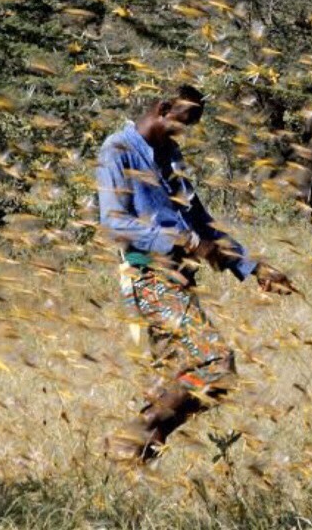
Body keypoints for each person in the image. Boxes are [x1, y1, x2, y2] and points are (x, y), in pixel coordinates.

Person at [95, 84, 297, 465]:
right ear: (163, 108)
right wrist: (183, 241)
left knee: (180, 383)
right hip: (148, 277)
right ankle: (129, 439)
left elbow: (202, 221)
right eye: (182, 123)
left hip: (179, 280)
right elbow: (113, 222)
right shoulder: (117, 150)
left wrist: (253, 267)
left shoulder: (170, 156)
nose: (183, 133)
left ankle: (131, 462)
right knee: (216, 366)